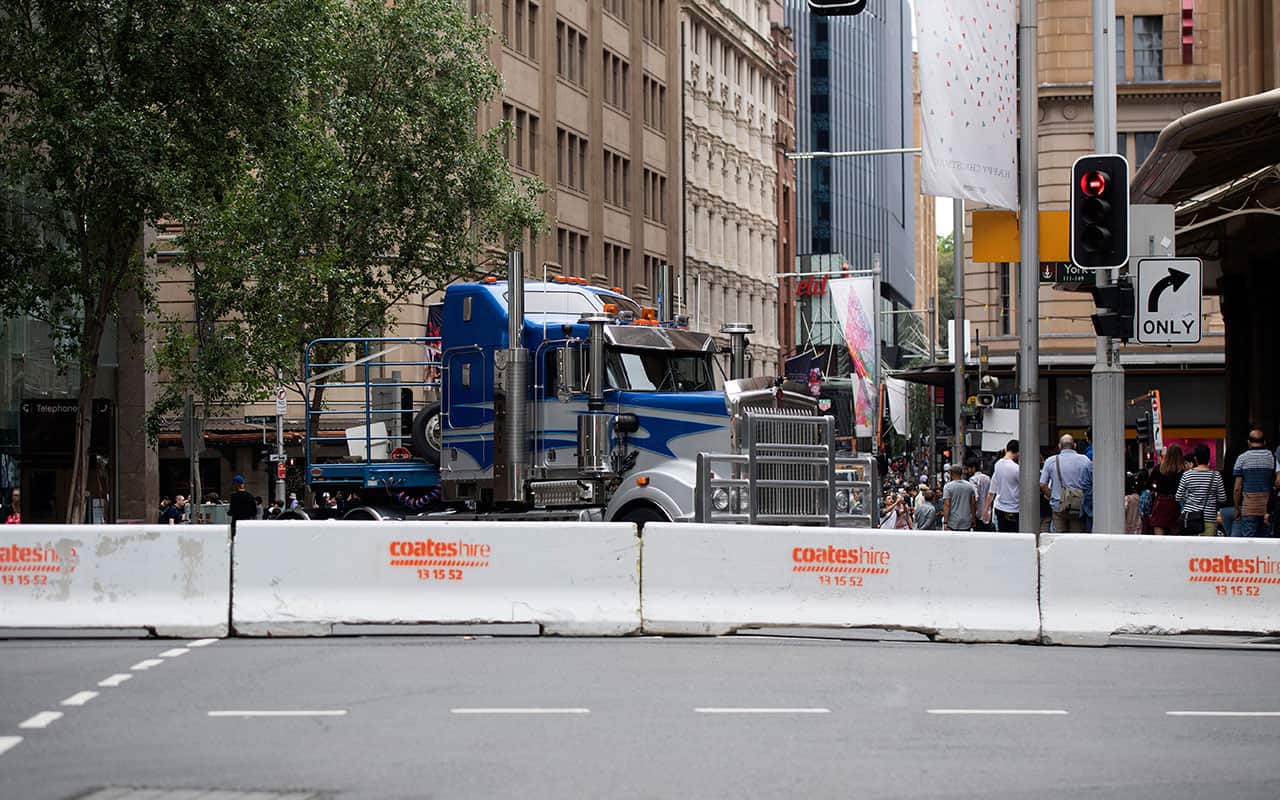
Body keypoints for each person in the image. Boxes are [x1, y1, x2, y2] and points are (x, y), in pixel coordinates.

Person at [1039, 434, 1092, 533]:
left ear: (1059, 446)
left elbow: (1042, 484)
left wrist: (1053, 496)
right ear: (1074, 445)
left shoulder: (1051, 461)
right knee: (1077, 537)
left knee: (1058, 537)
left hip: (1058, 505)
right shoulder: (1085, 460)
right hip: (1078, 506)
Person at [1232, 428, 1279, 538]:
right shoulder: (1272, 457)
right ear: (1264, 442)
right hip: (1267, 509)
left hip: (1249, 508)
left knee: (1249, 543)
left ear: (1248, 442)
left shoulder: (1241, 458)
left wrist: (1236, 508)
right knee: (1266, 542)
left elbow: (1237, 488)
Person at [1177, 444, 1227, 536]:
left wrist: (1190, 498)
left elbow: (1178, 497)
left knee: (1190, 549)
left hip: (1190, 518)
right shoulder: (1216, 475)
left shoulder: (1187, 475)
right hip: (1209, 519)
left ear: (1195, 459)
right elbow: (1222, 498)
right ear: (1208, 458)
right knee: (1207, 549)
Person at [1150, 445, 1187, 535]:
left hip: (1160, 502)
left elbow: (1149, 485)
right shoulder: (1182, 471)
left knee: (1159, 531)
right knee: (1174, 531)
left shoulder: (1158, 468)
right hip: (1175, 503)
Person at [988, 440, 1021, 533]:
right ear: (1018, 452)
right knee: (1015, 537)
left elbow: (992, 489)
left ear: (1006, 449)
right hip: (1014, 508)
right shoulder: (1016, 468)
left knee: (1003, 536)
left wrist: (986, 509)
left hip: (1000, 507)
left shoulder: (997, 464)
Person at [942, 464, 977, 532]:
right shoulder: (969, 486)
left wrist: (945, 522)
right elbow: (973, 504)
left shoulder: (947, 487)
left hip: (953, 521)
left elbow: (947, 505)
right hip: (966, 521)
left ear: (951, 473)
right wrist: (973, 518)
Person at [967, 458, 993, 532]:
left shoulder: (973, 479)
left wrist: (972, 517)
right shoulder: (988, 478)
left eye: (968, 468)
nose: (968, 470)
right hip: (988, 513)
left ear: (973, 468)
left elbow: (975, 497)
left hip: (978, 514)